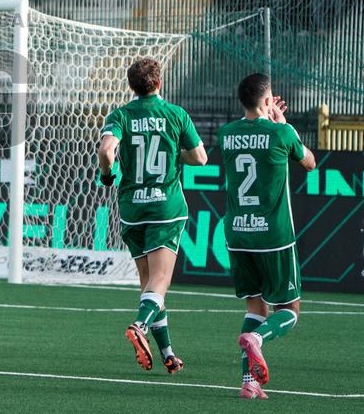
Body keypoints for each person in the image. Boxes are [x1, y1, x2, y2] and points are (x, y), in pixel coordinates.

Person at [97, 58, 207, 374]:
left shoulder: (120, 115)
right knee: (161, 280)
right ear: (159, 83)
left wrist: (107, 175)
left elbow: (106, 152)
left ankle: (168, 354)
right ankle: (140, 326)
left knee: (149, 285)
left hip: (132, 210)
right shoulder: (175, 114)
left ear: (132, 86)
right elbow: (200, 158)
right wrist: (177, 154)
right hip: (165, 208)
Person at [218, 74, 316, 399]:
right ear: (265, 101)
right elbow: (309, 163)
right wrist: (284, 123)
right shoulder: (282, 132)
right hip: (273, 235)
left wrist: (271, 122)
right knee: (289, 311)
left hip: (238, 233)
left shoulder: (226, 134)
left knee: (254, 308)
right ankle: (259, 339)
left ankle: (249, 381)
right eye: (271, 97)